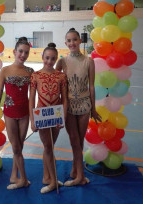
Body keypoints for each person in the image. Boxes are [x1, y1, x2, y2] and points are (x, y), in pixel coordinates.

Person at [56, 28, 101, 187]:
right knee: (73, 139)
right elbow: (54, 83)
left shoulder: (89, 61)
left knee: (79, 140)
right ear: (65, 43)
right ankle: (78, 174)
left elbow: (92, 87)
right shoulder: (62, 62)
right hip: (68, 105)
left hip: (84, 104)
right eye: (69, 40)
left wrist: (93, 109)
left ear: (80, 41)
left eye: (74, 39)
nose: (72, 43)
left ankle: (77, 172)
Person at [0, 37, 33, 190]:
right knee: (16, 148)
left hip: (24, 114)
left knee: (19, 147)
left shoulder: (30, 72)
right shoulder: (5, 70)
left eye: (26, 52)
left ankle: (13, 174)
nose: (23, 54)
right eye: (21, 51)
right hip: (9, 113)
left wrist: (33, 115)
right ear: (14, 52)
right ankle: (23, 178)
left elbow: (32, 97)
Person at [29, 43, 67, 194]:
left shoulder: (61, 76)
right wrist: (32, 120)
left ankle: (47, 177)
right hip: (42, 115)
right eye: (47, 58)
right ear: (42, 57)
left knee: (50, 147)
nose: (49, 61)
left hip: (56, 115)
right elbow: (31, 99)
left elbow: (64, 99)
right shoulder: (36, 75)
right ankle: (52, 180)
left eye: (53, 59)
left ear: (56, 59)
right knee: (48, 147)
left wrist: (62, 117)